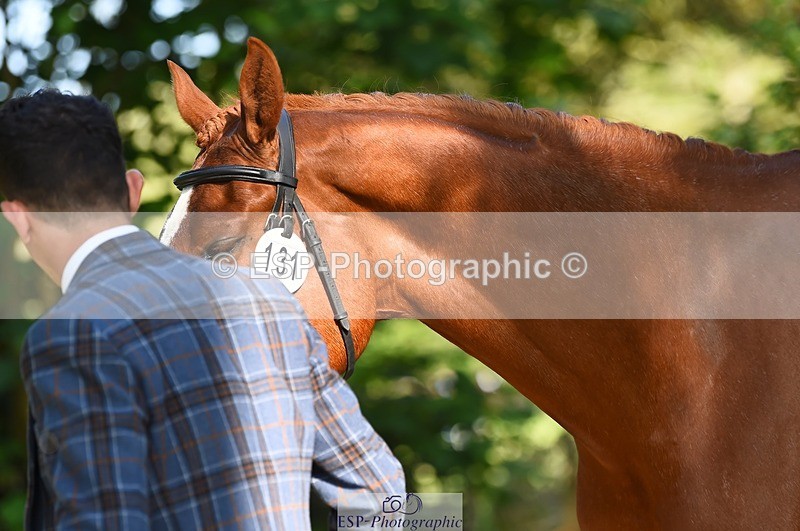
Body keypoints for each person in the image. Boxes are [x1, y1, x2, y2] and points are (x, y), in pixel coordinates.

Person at [0, 90, 405, 530]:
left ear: (16, 218)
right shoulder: (269, 301)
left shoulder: (70, 333)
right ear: (134, 189)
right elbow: (378, 488)